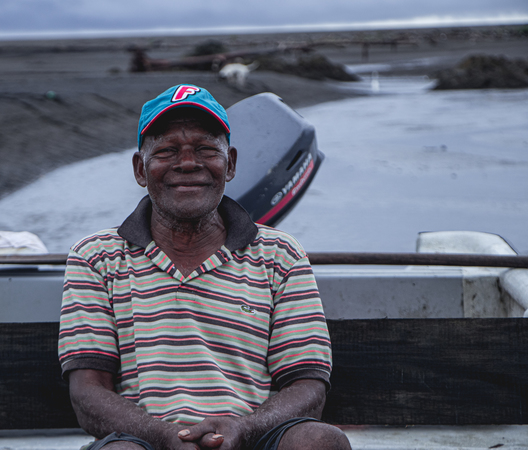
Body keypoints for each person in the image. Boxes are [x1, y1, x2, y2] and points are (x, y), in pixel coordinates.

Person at [58, 84, 351, 450]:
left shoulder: (281, 254)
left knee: (320, 442)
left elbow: (307, 387)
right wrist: (167, 436)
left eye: (206, 149)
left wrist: (242, 429)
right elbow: (88, 392)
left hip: (252, 438)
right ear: (139, 168)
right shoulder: (96, 257)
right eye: (166, 151)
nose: (187, 163)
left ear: (230, 164)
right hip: (146, 442)